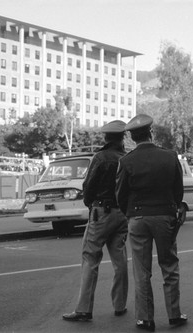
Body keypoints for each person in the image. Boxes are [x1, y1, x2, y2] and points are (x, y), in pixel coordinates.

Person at [115, 113, 187, 331]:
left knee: (141, 270)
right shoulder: (169, 156)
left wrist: (130, 212)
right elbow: (178, 189)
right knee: (169, 266)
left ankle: (145, 318)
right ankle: (174, 314)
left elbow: (120, 194)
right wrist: (173, 206)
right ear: (150, 133)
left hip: (137, 217)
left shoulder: (126, 161)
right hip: (164, 215)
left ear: (132, 138)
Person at [62, 120, 129, 322]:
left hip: (102, 211)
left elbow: (88, 186)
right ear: (122, 138)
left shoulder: (100, 157)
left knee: (90, 258)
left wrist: (90, 204)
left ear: (106, 138)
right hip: (122, 213)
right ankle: (120, 305)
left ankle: (84, 309)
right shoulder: (126, 158)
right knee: (120, 259)